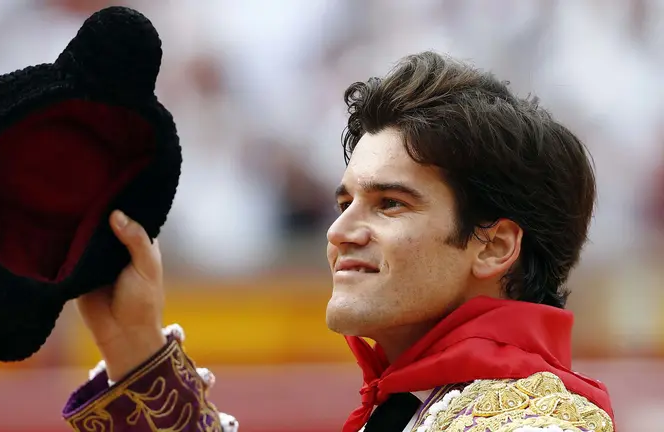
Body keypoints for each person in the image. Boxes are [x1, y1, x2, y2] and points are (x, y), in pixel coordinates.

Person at [61, 51, 616, 432]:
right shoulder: (419, 408)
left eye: (390, 203)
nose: (339, 232)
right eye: (344, 202)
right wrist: (135, 348)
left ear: (493, 248)